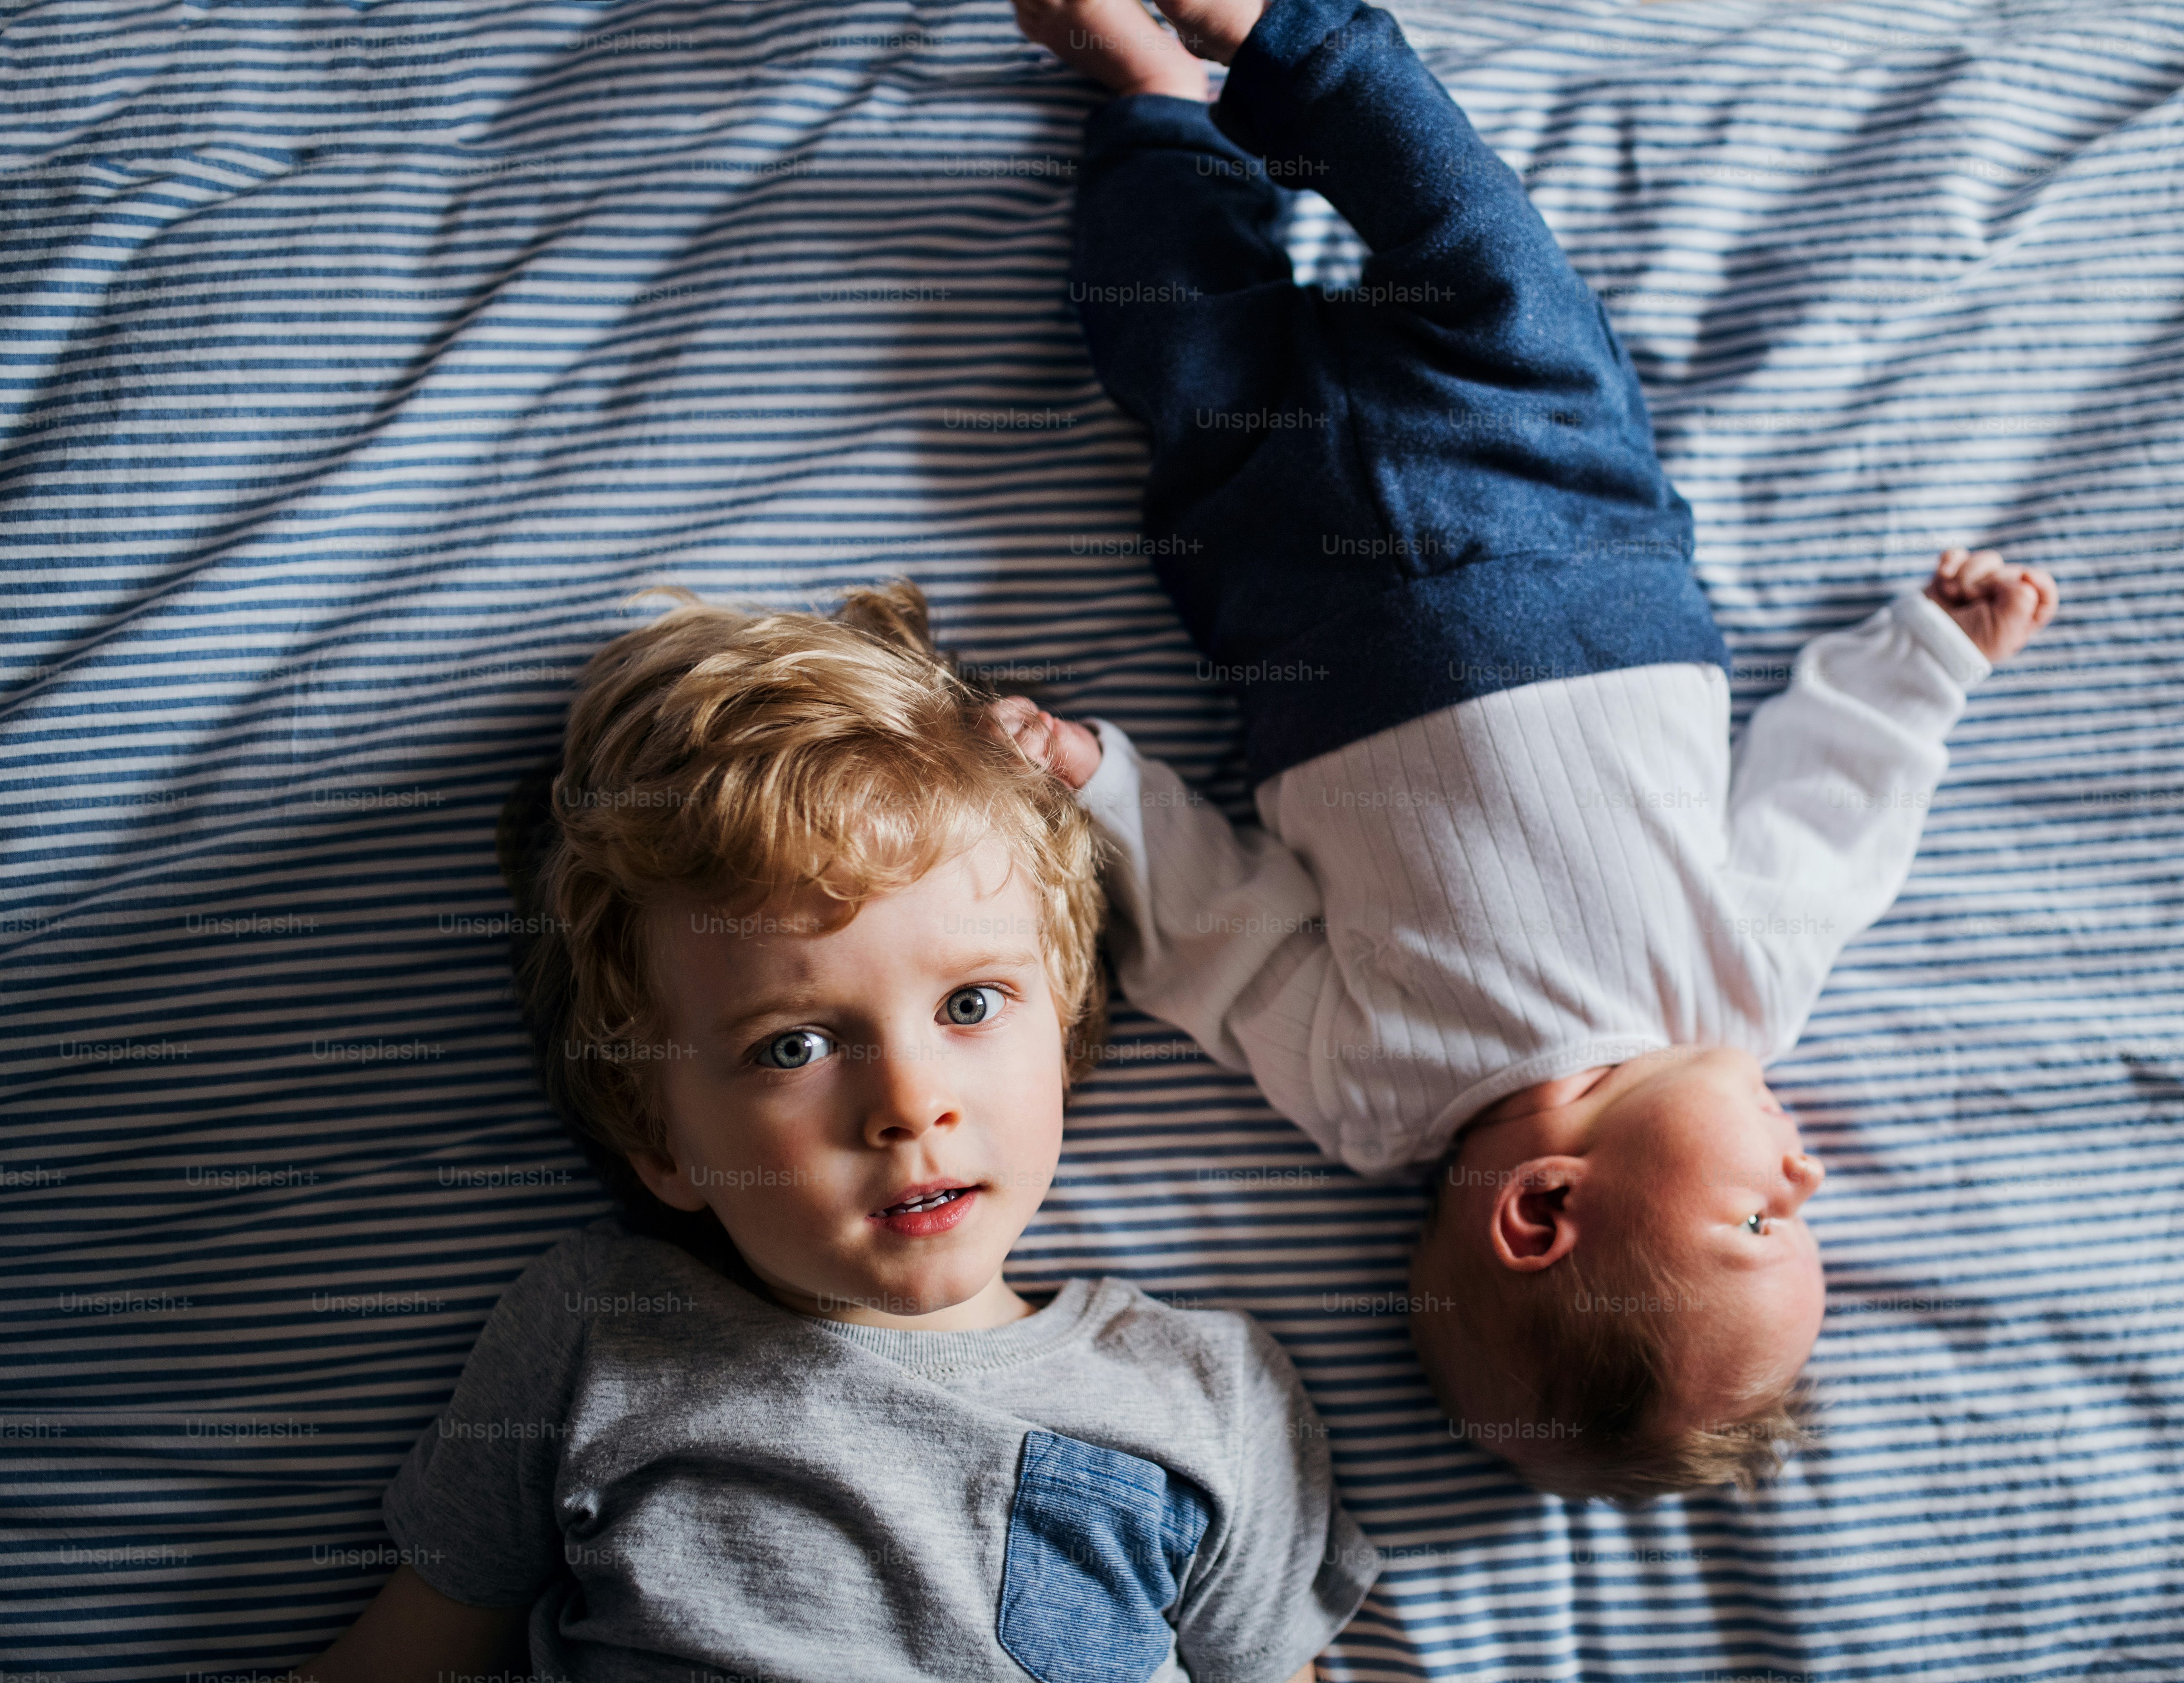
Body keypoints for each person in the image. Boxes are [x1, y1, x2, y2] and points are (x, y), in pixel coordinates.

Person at [1001, 0, 2061, 1497]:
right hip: (1557, 498)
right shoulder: (1738, 991)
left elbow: (1210, 933)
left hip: (1282, 557)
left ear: (1541, 1214)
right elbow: (1837, 801)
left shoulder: (1371, 1090)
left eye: (1765, 1223)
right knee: (1485, 255)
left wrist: (1092, 781)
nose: (1805, 1176)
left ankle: (1146, 91)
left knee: (1173, 336)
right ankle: (1291, 45)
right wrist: (1929, 656)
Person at [292, 583, 1375, 1681]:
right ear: (657, 1136)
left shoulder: (1210, 1397)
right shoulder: (595, 1336)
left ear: (1070, 1025)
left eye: (969, 1005)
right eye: (794, 1046)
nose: (908, 1103)